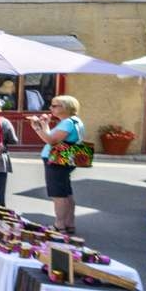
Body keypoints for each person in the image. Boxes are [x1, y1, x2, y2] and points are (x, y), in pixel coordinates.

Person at [39, 94, 88, 232]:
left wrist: (38, 128)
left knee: (58, 194)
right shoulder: (75, 120)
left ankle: (59, 225)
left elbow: (51, 140)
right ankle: (69, 223)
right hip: (68, 157)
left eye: (54, 105)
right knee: (66, 192)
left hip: (57, 158)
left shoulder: (66, 122)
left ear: (66, 107)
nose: (51, 108)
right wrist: (45, 125)